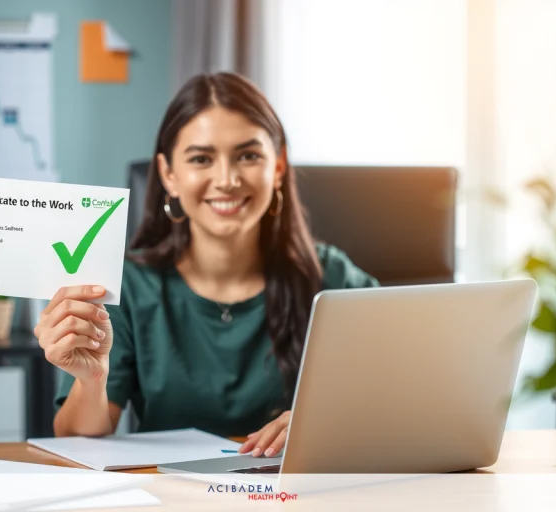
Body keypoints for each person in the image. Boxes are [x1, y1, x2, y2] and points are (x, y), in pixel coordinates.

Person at [35, 72, 378, 459]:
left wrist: (328, 420)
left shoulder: (331, 277)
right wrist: (93, 380)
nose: (227, 180)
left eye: (248, 156)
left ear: (278, 167)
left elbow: (404, 387)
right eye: (201, 159)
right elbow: (76, 441)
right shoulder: (127, 286)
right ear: (168, 175)